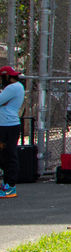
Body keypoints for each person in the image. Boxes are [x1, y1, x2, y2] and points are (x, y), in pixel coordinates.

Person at [0, 66, 24, 198]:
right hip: (5, 125)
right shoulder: (13, 88)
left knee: (9, 154)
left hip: (8, 126)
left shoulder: (13, 87)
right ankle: (7, 183)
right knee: (3, 154)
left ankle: (10, 186)